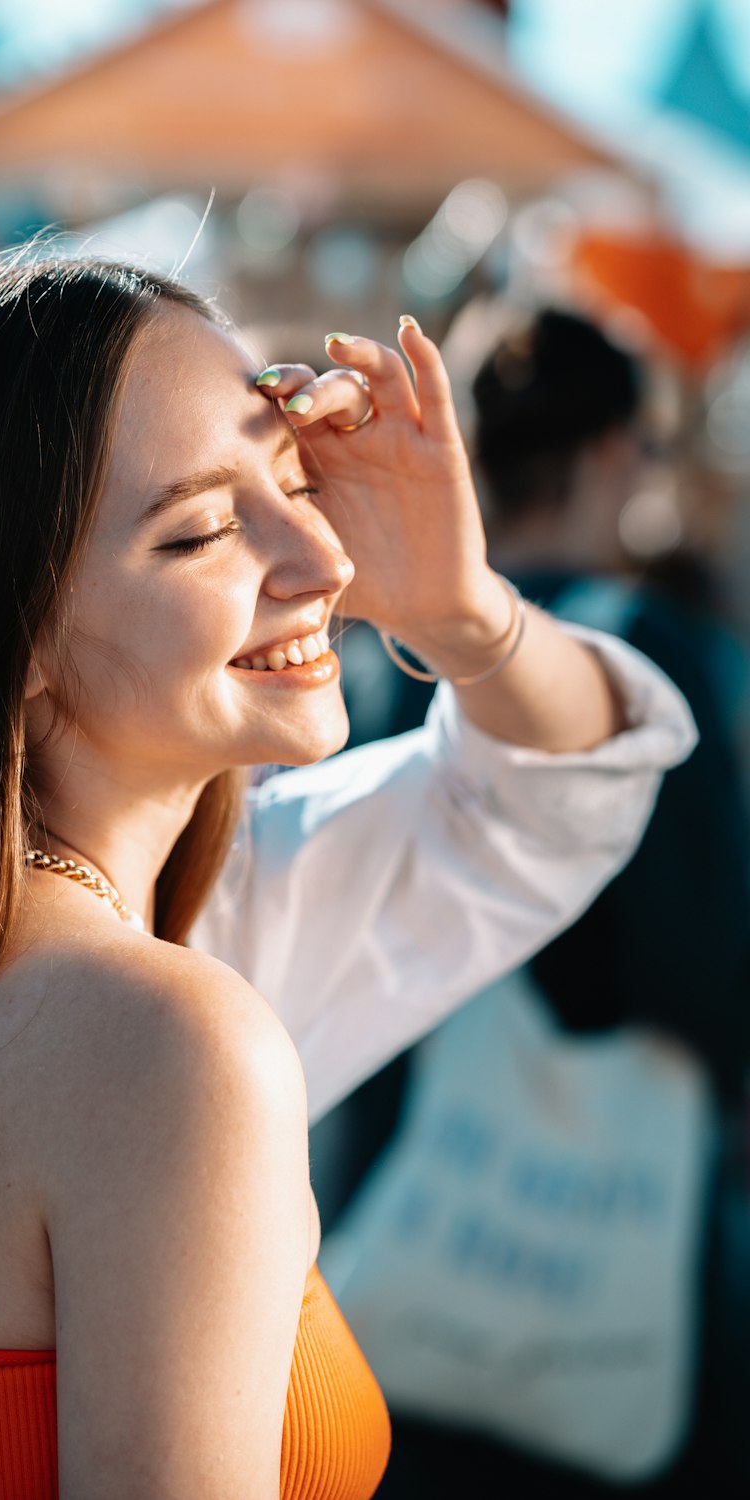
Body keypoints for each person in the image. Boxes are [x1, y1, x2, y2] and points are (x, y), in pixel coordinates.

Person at [0, 256, 694, 1500]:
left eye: (297, 480)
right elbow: (542, 810)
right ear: (3, 630)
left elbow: (556, 792)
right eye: (197, 530)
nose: (322, 556)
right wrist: (462, 623)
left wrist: (459, 606)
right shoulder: (163, 1036)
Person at [321, 306, 750, 1497]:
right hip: (601, 1222)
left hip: (396, 1192)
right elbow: (697, 965)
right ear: (614, 451)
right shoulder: (642, 653)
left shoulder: (380, 650)